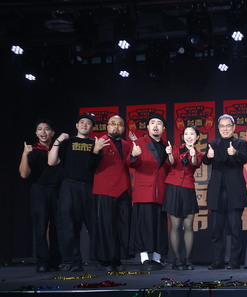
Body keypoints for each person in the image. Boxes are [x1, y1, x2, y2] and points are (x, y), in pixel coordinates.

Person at [48, 113, 98, 272]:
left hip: (90, 186)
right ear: (76, 125)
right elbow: (51, 162)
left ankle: (102, 259)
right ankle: (73, 261)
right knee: (69, 225)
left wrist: (97, 150)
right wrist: (57, 141)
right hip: (69, 185)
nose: (84, 125)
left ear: (92, 127)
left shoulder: (95, 143)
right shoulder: (68, 142)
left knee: (95, 225)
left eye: (88, 123)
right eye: (81, 122)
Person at [202, 114, 247, 270]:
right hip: (216, 193)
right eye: (222, 126)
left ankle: (234, 262)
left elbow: (244, 158)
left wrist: (234, 153)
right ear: (218, 128)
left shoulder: (241, 143)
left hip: (234, 193)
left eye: (228, 125)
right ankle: (217, 262)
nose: (225, 128)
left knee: (235, 230)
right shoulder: (213, 145)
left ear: (234, 127)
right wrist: (208, 157)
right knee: (216, 231)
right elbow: (206, 160)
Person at [19, 119, 63, 272]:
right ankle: (42, 262)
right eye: (40, 129)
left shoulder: (59, 148)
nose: (43, 132)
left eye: (46, 129)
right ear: (36, 133)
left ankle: (56, 260)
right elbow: (24, 174)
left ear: (52, 133)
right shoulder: (32, 149)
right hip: (40, 190)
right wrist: (25, 154)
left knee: (58, 227)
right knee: (41, 227)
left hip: (58, 190)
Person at [90, 115, 132, 272]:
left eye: (120, 124)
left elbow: (130, 164)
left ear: (123, 128)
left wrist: (134, 155)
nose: (116, 127)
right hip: (104, 189)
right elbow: (89, 165)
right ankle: (106, 259)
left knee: (121, 226)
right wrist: (95, 151)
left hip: (123, 189)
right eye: (113, 124)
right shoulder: (99, 142)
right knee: (105, 226)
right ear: (107, 127)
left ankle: (117, 258)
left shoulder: (127, 145)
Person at [129, 113, 170, 270]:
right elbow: (131, 163)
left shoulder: (167, 145)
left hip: (161, 192)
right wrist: (133, 155)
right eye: (152, 122)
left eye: (159, 123)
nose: (155, 126)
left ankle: (158, 258)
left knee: (159, 226)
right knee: (144, 226)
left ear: (163, 128)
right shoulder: (139, 143)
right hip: (145, 192)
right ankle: (144, 258)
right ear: (147, 127)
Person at [162, 126, 204, 270]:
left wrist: (192, 154)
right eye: (186, 133)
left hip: (188, 189)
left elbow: (194, 163)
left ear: (197, 137)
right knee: (175, 226)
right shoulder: (174, 149)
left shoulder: (198, 154)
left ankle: (187, 259)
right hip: (173, 188)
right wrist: (169, 154)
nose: (189, 136)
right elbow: (171, 163)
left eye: (192, 134)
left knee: (188, 226)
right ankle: (177, 260)